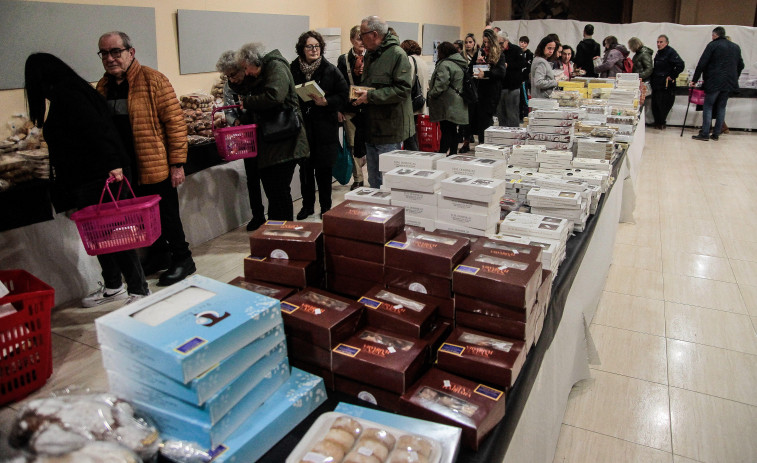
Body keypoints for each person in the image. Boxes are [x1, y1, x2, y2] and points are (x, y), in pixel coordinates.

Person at [25, 53, 150, 306]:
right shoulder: (71, 91)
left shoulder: (69, 95)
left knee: (115, 235)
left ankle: (139, 289)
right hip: (89, 176)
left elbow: (98, 131)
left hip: (99, 176)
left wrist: (113, 165)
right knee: (100, 236)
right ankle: (115, 285)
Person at [95, 31, 195, 287]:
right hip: (126, 169)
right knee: (143, 219)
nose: (110, 58)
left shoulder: (153, 80)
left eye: (115, 51)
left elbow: (175, 123)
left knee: (168, 215)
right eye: (104, 53)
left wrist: (177, 164)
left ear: (131, 52)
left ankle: (183, 259)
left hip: (154, 164)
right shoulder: (103, 87)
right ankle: (159, 255)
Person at [235, 42, 309, 220]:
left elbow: (275, 96)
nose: (247, 73)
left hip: (286, 140)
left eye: (246, 68)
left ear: (255, 61)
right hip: (275, 142)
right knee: (275, 193)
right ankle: (276, 233)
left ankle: (283, 234)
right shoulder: (266, 70)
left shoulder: (276, 66)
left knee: (279, 192)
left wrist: (247, 102)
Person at [290, 31, 349, 219]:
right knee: (305, 170)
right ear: (302, 49)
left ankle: (326, 207)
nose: (314, 50)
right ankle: (307, 206)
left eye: (317, 46)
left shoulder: (330, 69)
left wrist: (327, 102)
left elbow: (344, 94)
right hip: (302, 127)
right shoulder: (293, 68)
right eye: (309, 46)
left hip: (324, 127)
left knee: (324, 170)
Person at [352, 15, 414, 189]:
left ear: (374, 34)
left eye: (362, 34)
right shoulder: (371, 55)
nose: (360, 39)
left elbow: (403, 90)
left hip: (390, 129)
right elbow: (371, 84)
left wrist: (370, 97)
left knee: (388, 182)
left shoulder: (397, 55)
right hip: (371, 127)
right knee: (374, 181)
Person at [215, 51, 266, 231]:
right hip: (245, 136)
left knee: (266, 177)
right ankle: (257, 215)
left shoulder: (255, 80)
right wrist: (235, 122)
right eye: (228, 76)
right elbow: (228, 111)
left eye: (234, 74)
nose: (232, 79)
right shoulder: (229, 87)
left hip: (264, 133)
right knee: (251, 178)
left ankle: (272, 213)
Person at [690, 26, 744, 141]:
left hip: (714, 81)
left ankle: (705, 133)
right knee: (721, 107)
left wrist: (694, 80)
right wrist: (735, 77)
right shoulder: (735, 47)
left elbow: (702, 63)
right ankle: (716, 134)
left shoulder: (713, 45)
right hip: (729, 83)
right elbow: (741, 65)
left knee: (708, 106)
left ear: (715, 35)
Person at [337, 25, 367, 190]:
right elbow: (340, 86)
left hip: (369, 108)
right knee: (352, 144)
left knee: (371, 144)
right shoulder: (343, 59)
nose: (361, 42)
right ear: (351, 40)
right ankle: (358, 178)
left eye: (363, 38)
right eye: (358, 38)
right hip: (350, 108)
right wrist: (339, 109)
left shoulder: (373, 57)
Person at [427, 42, 468, 156]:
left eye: (439, 52)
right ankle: (453, 153)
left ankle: (442, 153)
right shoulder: (460, 62)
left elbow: (441, 84)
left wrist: (431, 94)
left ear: (444, 52)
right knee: (453, 130)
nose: (437, 54)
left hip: (447, 103)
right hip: (458, 100)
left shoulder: (445, 64)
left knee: (445, 130)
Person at [472, 28, 506, 142]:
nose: (486, 45)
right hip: (479, 91)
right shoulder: (480, 52)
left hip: (492, 92)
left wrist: (486, 72)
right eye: (484, 42)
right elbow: (470, 70)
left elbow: (501, 73)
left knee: (487, 118)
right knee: (481, 119)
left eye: (488, 42)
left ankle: (487, 142)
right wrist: (477, 64)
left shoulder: (499, 54)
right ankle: (482, 142)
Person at [650, 34, 684, 130]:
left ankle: (661, 122)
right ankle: (657, 122)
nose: (659, 44)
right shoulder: (658, 53)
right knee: (655, 104)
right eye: (657, 42)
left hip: (665, 85)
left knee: (663, 105)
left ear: (667, 43)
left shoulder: (671, 52)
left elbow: (680, 65)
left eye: (661, 42)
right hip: (657, 83)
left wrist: (672, 75)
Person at [400, 39, 428, 151]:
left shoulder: (409, 60)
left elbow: (408, 83)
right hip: (420, 100)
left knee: (409, 134)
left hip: (410, 102)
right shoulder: (423, 62)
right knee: (413, 131)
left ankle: (413, 156)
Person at [496, 31, 525, 127]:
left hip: (513, 88)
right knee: (501, 114)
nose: (499, 46)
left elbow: (522, 64)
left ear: (506, 41)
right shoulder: (497, 51)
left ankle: (514, 136)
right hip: (500, 87)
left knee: (512, 114)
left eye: (501, 43)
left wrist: (508, 65)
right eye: (497, 43)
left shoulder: (516, 50)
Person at [459, 33, 480, 153]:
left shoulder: (479, 54)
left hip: (477, 87)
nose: (468, 44)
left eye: (470, 42)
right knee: (466, 117)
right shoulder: (462, 56)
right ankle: (466, 140)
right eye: (466, 42)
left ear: (474, 43)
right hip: (466, 89)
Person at [519, 36, 533, 120]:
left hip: (524, 80)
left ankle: (526, 115)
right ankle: (520, 115)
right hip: (518, 79)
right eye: (521, 42)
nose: (522, 44)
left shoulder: (529, 54)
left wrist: (523, 78)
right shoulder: (518, 52)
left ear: (527, 44)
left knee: (524, 98)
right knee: (519, 99)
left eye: (524, 43)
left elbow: (528, 67)